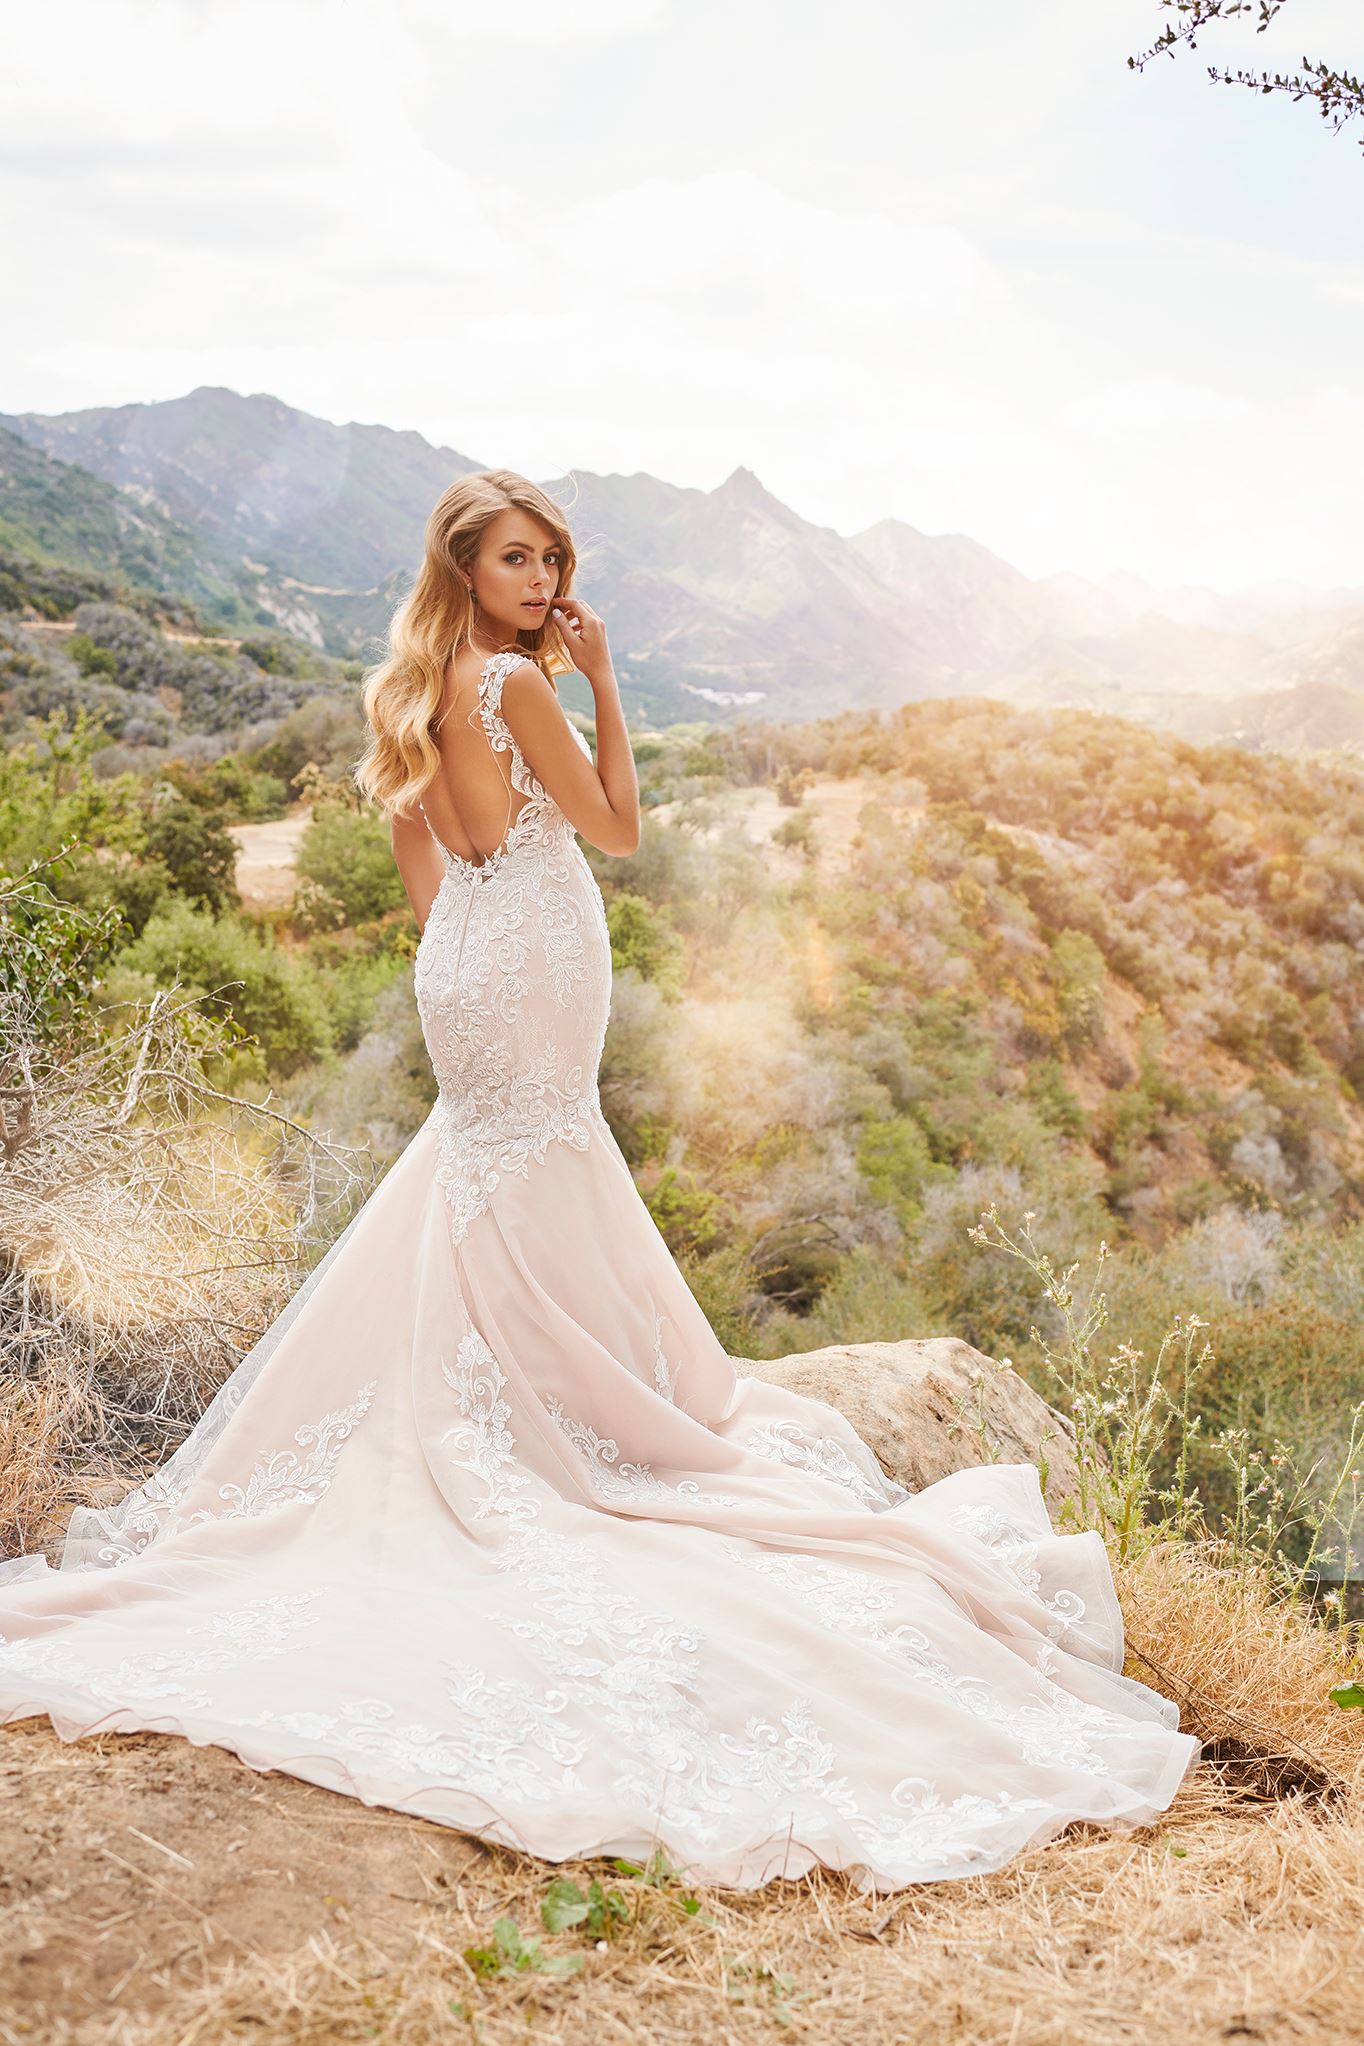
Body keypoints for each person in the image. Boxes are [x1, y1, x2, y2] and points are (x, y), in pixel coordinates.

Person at [0, 471, 1200, 1893]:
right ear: (465, 564)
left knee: (488, 1160)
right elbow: (617, 826)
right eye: (517, 554)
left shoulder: (411, 687)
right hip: (533, 957)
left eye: (553, 554)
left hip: (470, 956)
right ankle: (565, 1414)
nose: (541, 573)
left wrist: (478, 943)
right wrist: (608, 682)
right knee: (539, 1146)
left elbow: (424, 867)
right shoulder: (510, 683)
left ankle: (522, 1383)